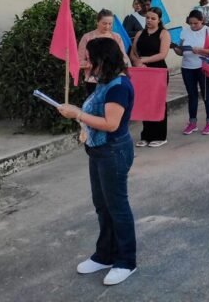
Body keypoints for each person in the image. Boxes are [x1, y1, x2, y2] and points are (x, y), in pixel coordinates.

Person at [57, 38, 137, 286]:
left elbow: (111, 124)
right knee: (102, 205)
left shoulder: (118, 86)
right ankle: (105, 255)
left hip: (114, 151)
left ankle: (126, 261)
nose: (87, 62)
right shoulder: (104, 81)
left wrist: (78, 114)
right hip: (99, 150)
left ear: (103, 60)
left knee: (117, 206)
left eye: (90, 59)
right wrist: (76, 112)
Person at [130, 7, 171, 148]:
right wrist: (137, 62)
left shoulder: (164, 33)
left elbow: (162, 54)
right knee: (145, 102)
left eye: (153, 18)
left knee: (157, 102)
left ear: (159, 20)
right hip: (142, 71)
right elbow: (133, 52)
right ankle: (146, 135)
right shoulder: (140, 33)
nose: (149, 20)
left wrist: (144, 60)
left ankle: (160, 136)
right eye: (147, 18)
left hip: (158, 71)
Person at [172, 10, 209, 135]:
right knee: (192, 95)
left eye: (195, 23)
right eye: (190, 23)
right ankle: (192, 123)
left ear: (202, 21)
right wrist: (175, 48)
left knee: (206, 94)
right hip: (187, 67)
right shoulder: (184, 31)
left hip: (202, 67)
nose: (193, 26)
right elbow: (181, 52)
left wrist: (200, 50)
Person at [79, 9, 130, 95]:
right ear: (97, 22)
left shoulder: (116, 37)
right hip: (93, 80)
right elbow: (79, 60)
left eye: (110, 24)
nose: (107, 27)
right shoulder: (87, 37)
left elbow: (123, 57)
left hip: (113, 79)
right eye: (104, 23)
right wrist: (93, 65)